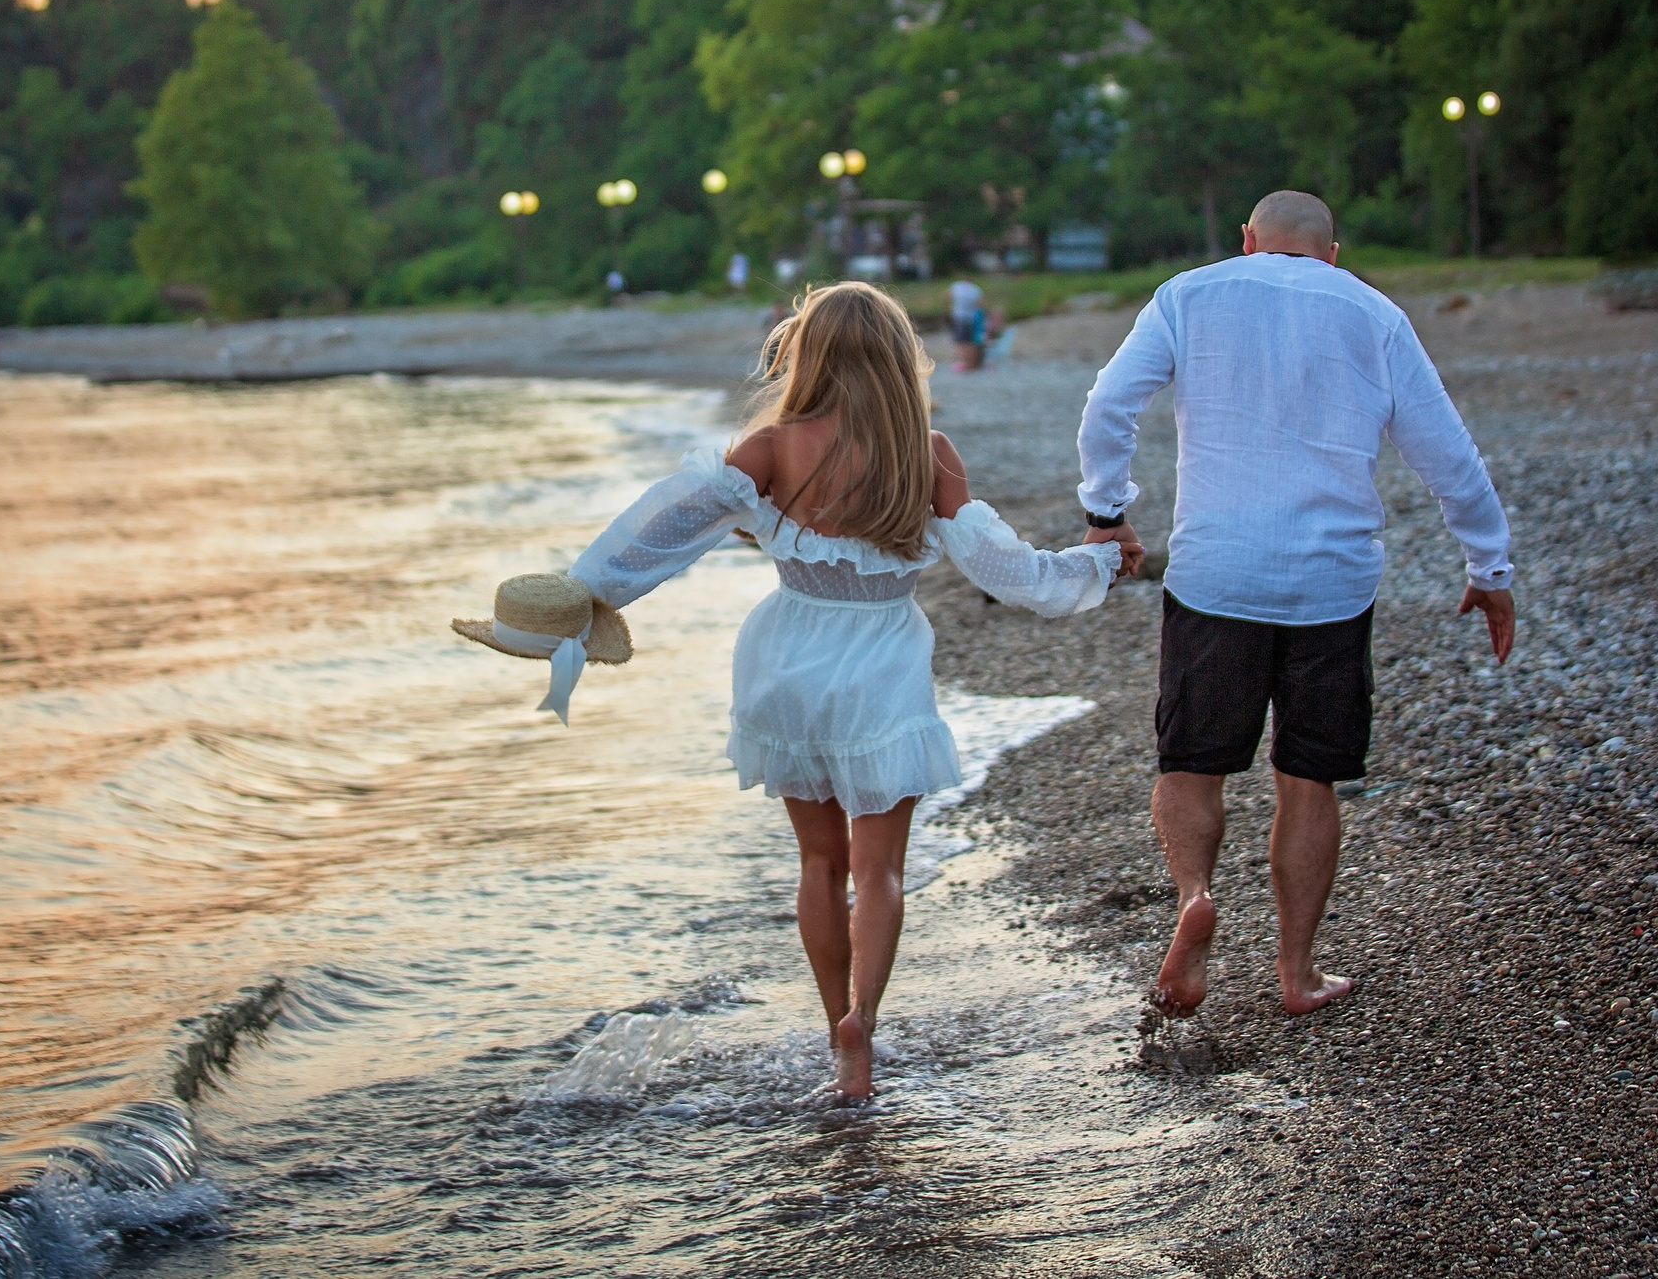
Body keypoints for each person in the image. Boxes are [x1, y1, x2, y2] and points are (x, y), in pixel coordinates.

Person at [459, 282, 1118, 1100]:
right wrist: (1095, 562)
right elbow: (1007, 571)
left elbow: (663, 529)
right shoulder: (928, 451)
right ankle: (862, 1029)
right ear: (894, 356)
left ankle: (828, 1015)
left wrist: (578, 596)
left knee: (818, 860)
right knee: (879, 871)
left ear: (806, 355)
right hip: (880, 666)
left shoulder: (770, 449)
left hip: (784, 663)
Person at [1075, 190, 1515, 1019]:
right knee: (1308, 779)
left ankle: (1196, 895)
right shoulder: (1373, 313)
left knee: (1190, 763)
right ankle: (1296, 971)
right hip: (1331, 583)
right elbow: (1448, 453)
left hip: (1216, 576)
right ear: (1332, 253)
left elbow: (1109, 405)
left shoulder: (1189, 295)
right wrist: (1488, 567)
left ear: (1248, 241)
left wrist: (1108, 511)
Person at [946, 276, 985, 372]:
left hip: (959, 317)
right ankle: (973, 363)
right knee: (971, 341)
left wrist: (949, 307)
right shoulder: (975, 289)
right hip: (971, 317)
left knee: (961, 342)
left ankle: (965, 363)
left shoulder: (957, 286)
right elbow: (980, 303)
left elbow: (945, 295)